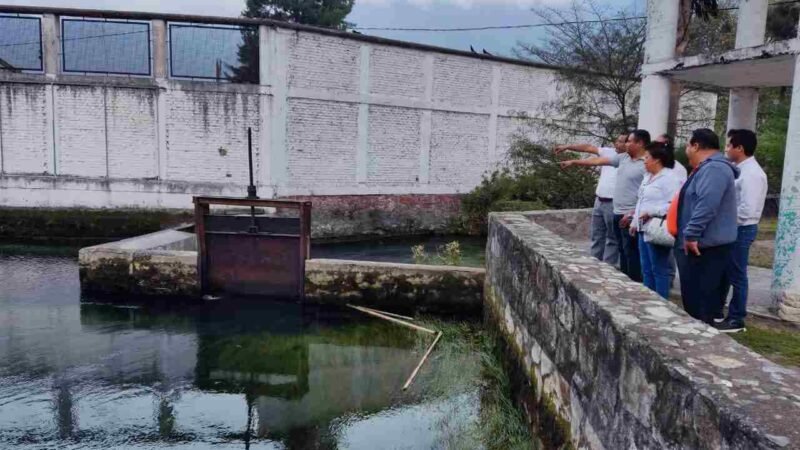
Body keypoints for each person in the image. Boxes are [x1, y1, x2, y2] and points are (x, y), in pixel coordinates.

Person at [561, 130, 649, 282]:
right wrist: (574, 162)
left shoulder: (648, 162)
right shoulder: (622, 158)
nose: (626, 144)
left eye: (629, 141)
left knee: (630, 251)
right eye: (625, 141)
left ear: (640, 143)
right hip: (617, 210)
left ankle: (631, 281)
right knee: (621, 248)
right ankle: (621, 279)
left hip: (631, 214)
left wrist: (637, 212)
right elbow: (597, 160)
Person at [673, 128, 739, 325]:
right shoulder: (707, 168)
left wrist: (691, 234)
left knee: (700, 303)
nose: (686, 150)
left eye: (687, 145)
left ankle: (701, 341)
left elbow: (707, 204)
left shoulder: (714, 169)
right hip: (703, 245)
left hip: (705, 247)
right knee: (696, 301)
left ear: (696, 145)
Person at [714, 129, 768, 333]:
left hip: (742, 229)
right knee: (725, 272)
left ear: (740, 148)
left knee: (737, 275)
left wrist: (725, 219)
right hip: (732, 228)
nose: (726, 149)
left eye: (729, 145)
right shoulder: (738, 169)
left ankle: (737, 319)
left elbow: (747, 209)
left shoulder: (752, 174)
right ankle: (718, 312)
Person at [554, 134, 627, 265]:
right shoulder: (608, 152)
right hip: (599, 201)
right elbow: (588, 148)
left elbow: (596, 161)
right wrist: (568, 146)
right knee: (596, 236)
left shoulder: (627, 159)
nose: (616, 143)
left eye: (620, 142)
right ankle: (594, 265)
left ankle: (608, 268)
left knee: (612, 238)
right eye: (616, 140)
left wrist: (574, 162)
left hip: (613, 203)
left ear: (628, 144)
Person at [631, 141, 683, 299]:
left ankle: (661, 301)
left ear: (657, 160)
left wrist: (652, 212)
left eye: (647, 157)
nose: (644, 161)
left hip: (657, 228)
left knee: (658, 268)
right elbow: (640, 201)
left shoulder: (669, 178)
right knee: (646, 268)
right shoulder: (647, 177)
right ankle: (649, 300)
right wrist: (634, 222)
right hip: (643, 228)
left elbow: (674, 204)